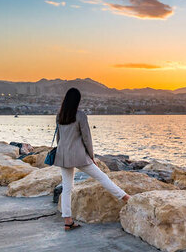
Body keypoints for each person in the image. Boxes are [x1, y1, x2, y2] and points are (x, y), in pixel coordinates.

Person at [54, 88, 130, 231]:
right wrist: (91, 156)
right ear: (77, 101)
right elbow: (87, 138)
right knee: (102, 177)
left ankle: (67, 221)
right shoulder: (80, 115)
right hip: (79, 156)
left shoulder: (60, 116)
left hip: (63, 156)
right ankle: (125, 197)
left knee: (67, 188)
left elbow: (59, 138)